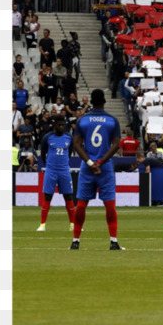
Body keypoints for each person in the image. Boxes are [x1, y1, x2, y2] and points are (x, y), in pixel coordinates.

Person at [70, 89, 123, 250]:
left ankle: (75, 242)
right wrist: (100, 162)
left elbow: (77, 144)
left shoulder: (83, 120)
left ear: (91, 102)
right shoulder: (112, 120)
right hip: (104, 167)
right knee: (109, 204)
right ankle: (113, 241)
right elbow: (116, 145)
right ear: (104, 101)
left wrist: (89, 162)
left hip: (87, 167)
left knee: (81, 204)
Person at [37, 116, 77, 232]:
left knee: (68, 197)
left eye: (62, 125)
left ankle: (72, 224)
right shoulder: (47, 137)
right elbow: (43, 153)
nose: (61, 127)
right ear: (54, 126)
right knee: (47, 196)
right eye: (59, 125)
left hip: (64, 171)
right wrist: (50, 166)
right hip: (51, 171)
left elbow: (69, 153)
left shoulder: (69, 137)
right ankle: (42, 225)